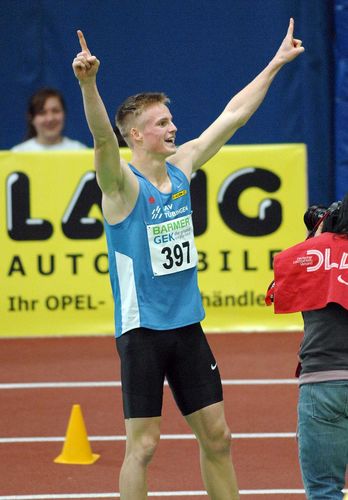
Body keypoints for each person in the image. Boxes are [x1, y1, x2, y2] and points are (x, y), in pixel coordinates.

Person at [72, 19, 304, 500]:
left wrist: (275, 64)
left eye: (170, 120)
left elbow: (233, 114)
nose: (173, 127)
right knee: (145, 446)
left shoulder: (182, 168)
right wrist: (89, 83)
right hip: (142, 332)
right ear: (136, 135)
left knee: (218, 437)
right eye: (161, 123)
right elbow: (99, 140)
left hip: (186, 326)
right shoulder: (121, 186)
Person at [266, 194, 348, 499]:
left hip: (322, 381)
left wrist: (317, 237)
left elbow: (284, 291)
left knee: (324, 491)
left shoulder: (305, 256)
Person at [12, 87, 87, 151]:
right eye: (42, 113)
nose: (50, 118)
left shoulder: (79, 151)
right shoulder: (18, 154)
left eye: (55, 111)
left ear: (64, 113)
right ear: (31, 118)